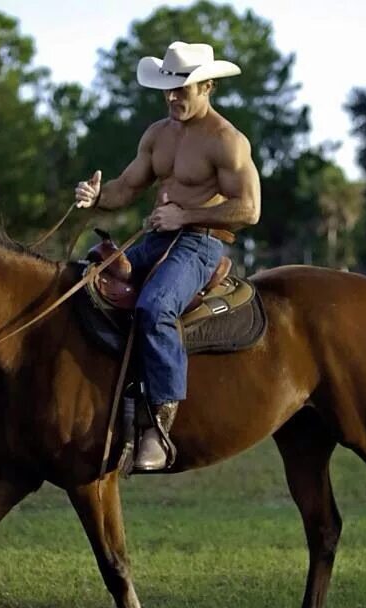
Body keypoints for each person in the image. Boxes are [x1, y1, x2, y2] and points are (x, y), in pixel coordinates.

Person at [75, 41, 261, 471]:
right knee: (86, 281)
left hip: (200, 242)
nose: (174, 97)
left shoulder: (227, 141)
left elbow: (249, 209)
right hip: (156, 237)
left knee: (155, 307)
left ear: (208, 86)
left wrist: (187, 215)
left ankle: (159, 423)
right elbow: (125, 188)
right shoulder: (157, 135)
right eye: (169, 88)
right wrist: (96, 196)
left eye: (185, 88)